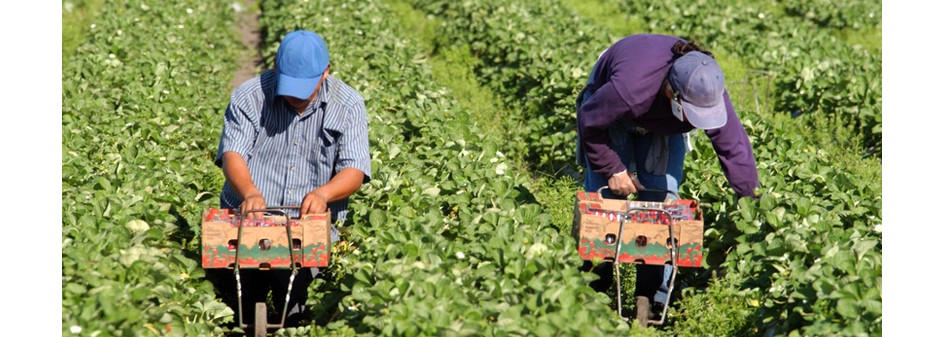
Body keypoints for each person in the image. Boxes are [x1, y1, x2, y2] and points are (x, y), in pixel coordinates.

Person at [574, 34, 759, 327]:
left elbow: (732, 144)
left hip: (661, 122)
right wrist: (613, 168)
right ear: (673, 93)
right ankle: (594, 286)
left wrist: (753, 200)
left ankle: (652, 296)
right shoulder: (629, 87)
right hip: (611, 115)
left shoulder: (706, 85)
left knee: (663, 204)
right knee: (607, 201)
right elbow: (590, 121)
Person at [206, 29, 371, 327]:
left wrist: (323, 194)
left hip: (307, 225)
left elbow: (354, 170)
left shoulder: (348, 105)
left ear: (326, 73)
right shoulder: (250, 96)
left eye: (305, 87)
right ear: (274, 68)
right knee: (242, 299)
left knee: (296, 307)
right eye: (290, 85)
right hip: (248, 220)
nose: (296, 95)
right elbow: (233, 154)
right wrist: (250, 192)